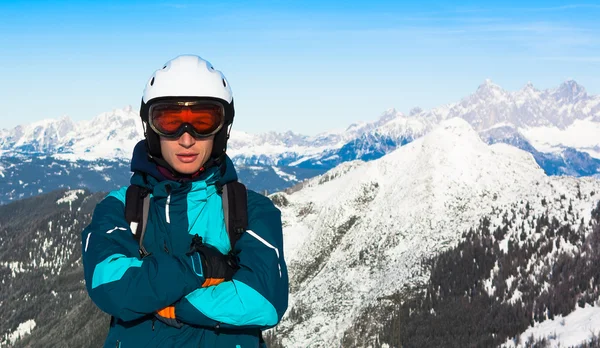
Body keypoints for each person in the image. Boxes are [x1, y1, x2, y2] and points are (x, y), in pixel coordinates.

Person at [81, 55, 289, 347]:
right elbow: (113, 287)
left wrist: (168, 304)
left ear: (222, 129)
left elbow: (264, 299)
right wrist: (203, 267)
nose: (187, 138)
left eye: (203, 122)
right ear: (151, 128)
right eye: (170, 121)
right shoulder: (121, 208)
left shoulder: (250, 211)